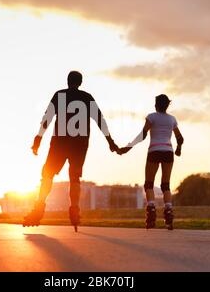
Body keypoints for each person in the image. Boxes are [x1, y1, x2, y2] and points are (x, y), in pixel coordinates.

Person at [24, 71, 119, 230]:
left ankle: (39, 206)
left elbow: (47, 118)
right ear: (80, 82)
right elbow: (100, 120)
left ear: (67, 81)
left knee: (47, 174)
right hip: (80, 144)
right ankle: (75, 209)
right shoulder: (87, 97)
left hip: (60, 142)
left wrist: (38, 138)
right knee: (75, 177)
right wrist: (110, 141)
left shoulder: (59, 95)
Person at [118, 94, 184, 230]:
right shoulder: (172, 119)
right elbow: (180, 138)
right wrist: (178, 149)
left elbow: (143, 134)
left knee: (149, 184)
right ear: (167, 105)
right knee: (166, 185)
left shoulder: (152, 117)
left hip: (154, 151)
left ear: (156, 105)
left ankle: (151, 212)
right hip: (168, 151)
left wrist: (128, 147)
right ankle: (169, 213)